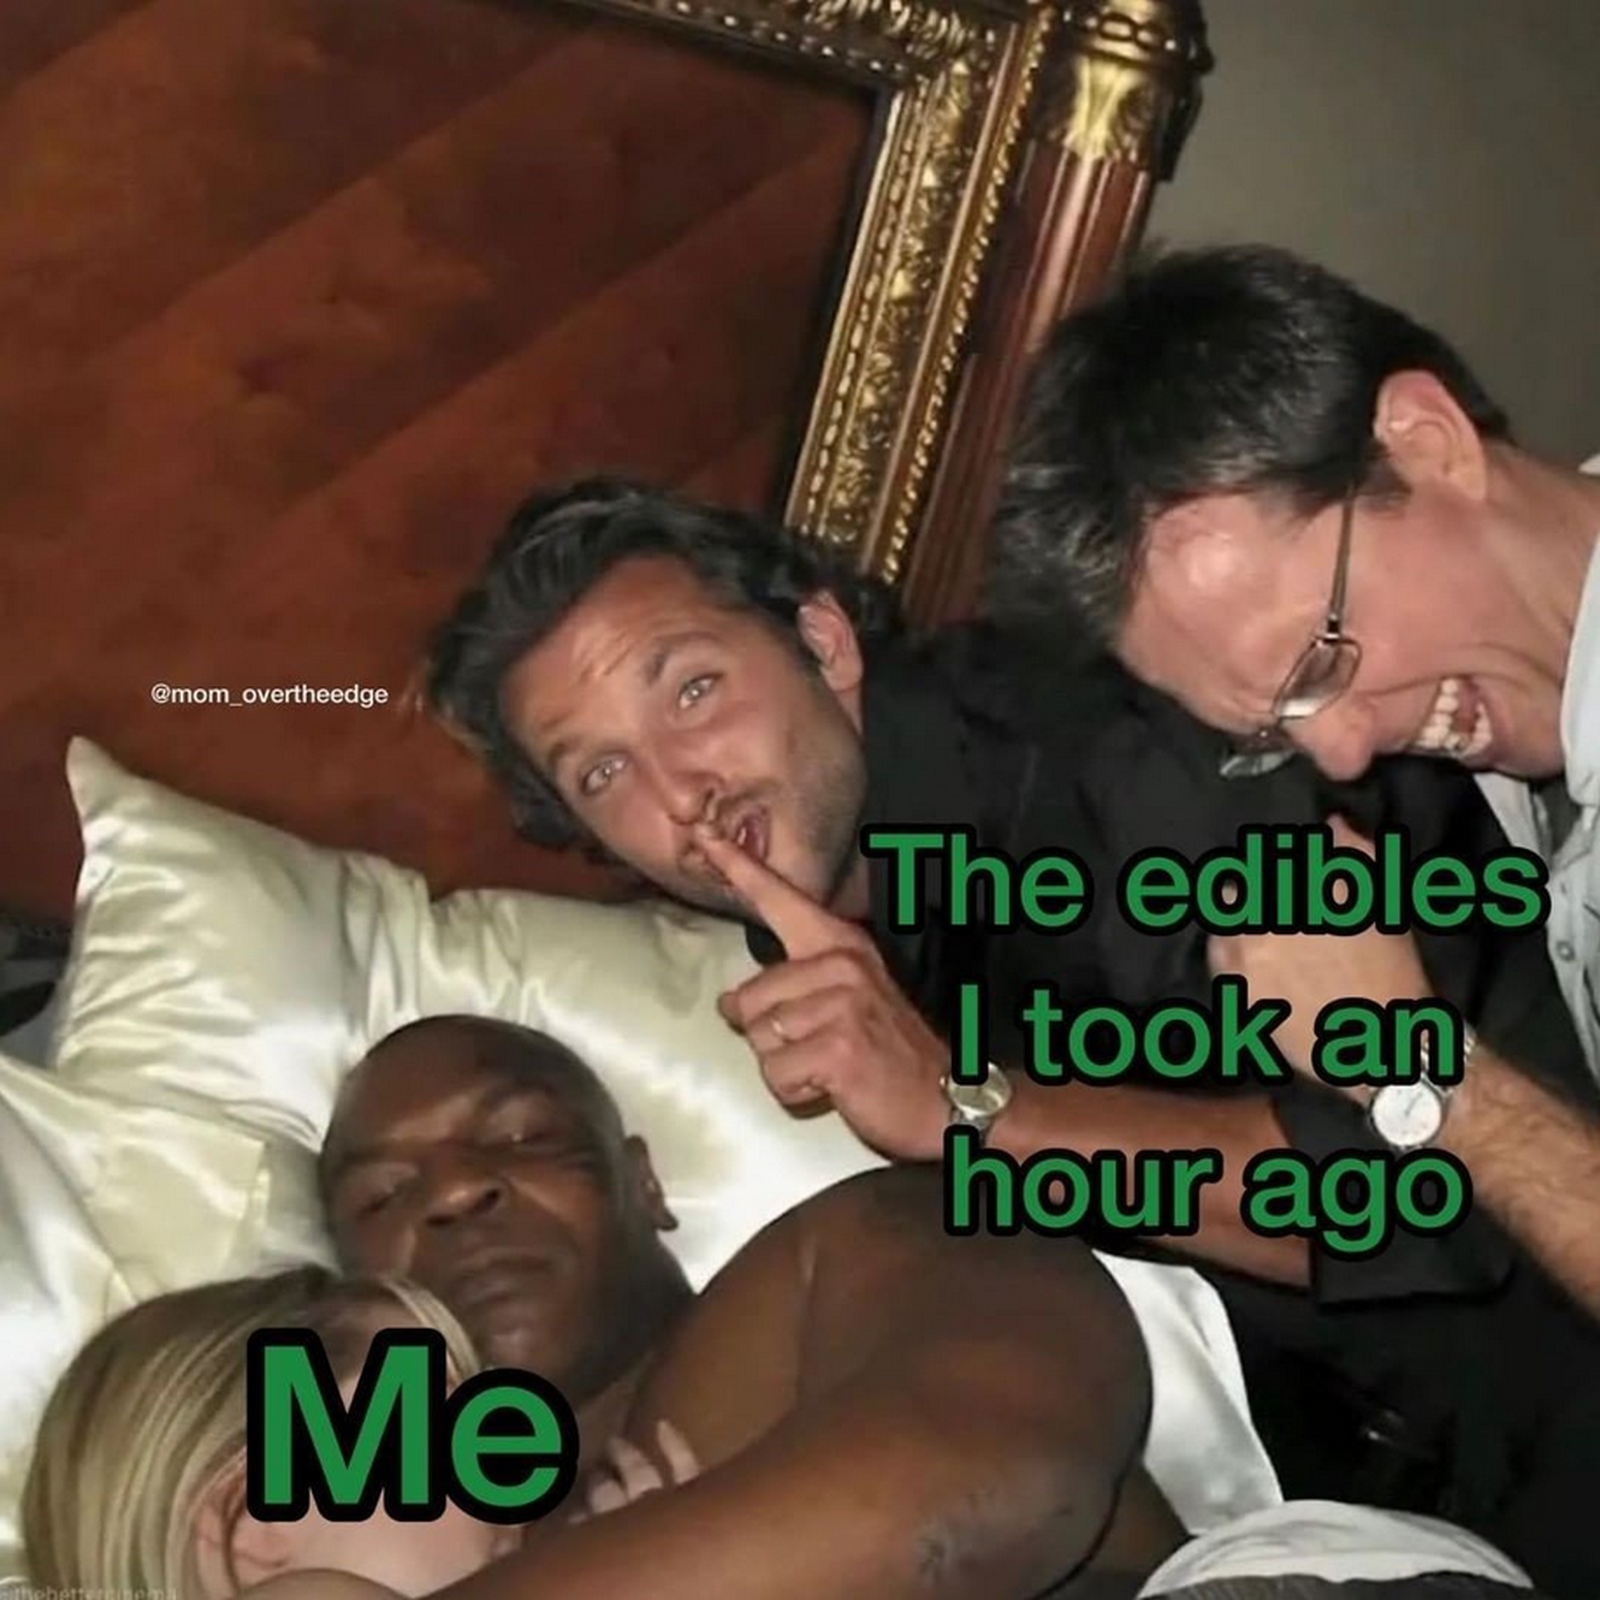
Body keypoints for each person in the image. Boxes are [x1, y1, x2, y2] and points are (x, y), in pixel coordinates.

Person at [988, 243, 1600, 1323]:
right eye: (1276, 729)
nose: (1345, 752)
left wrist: (1428, 1079)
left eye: (1321, 662)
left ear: (1427, 440)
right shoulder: (1529, 773)